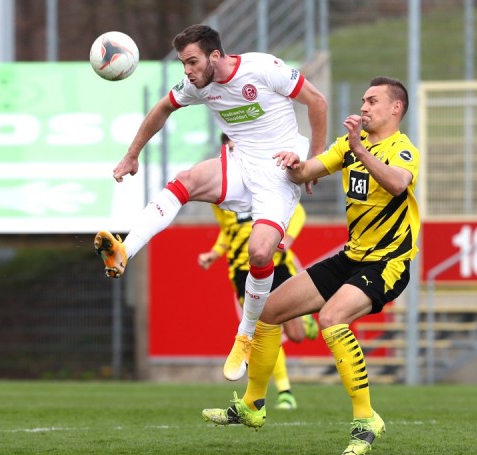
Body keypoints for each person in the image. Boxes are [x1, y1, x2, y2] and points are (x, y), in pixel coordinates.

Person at [93, 24, 327, 382]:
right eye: (183, 64)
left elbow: (317, 101)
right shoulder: (197, 85)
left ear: (215, 56)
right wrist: (132, 155)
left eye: (192, 62)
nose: (187, 71)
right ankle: (125, 250)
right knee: (185, 180)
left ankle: (245, 335)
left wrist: (316, 162)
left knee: (259, 254)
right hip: (241, 163)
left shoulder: (263, 68)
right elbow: (161, 109)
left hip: (279, 173)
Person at [202, 77, 420, 455]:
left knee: (331, 319)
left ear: (395, 108)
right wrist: (292, 163)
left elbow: (398, 184)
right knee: (268, 311)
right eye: (363, 100)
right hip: (352, 256)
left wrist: (359, 150)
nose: (364, 107)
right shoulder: (348, 146)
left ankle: (366, 419)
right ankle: (253, 406)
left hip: (388, 262)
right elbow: (304, 173)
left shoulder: (401, 149)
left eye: (372, 101)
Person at [197, 134, 319, 410]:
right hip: (242, 269)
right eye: (229, 147)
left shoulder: (266, 175)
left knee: (297, 335)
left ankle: (305, 320)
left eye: (237, 145)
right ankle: (284, 391)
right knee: (262, 329)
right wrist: (215, 253)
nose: (234, 151)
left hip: (277, 262)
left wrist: (288, 239)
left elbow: (298, 213)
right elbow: (227, 231)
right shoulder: (221, 190)